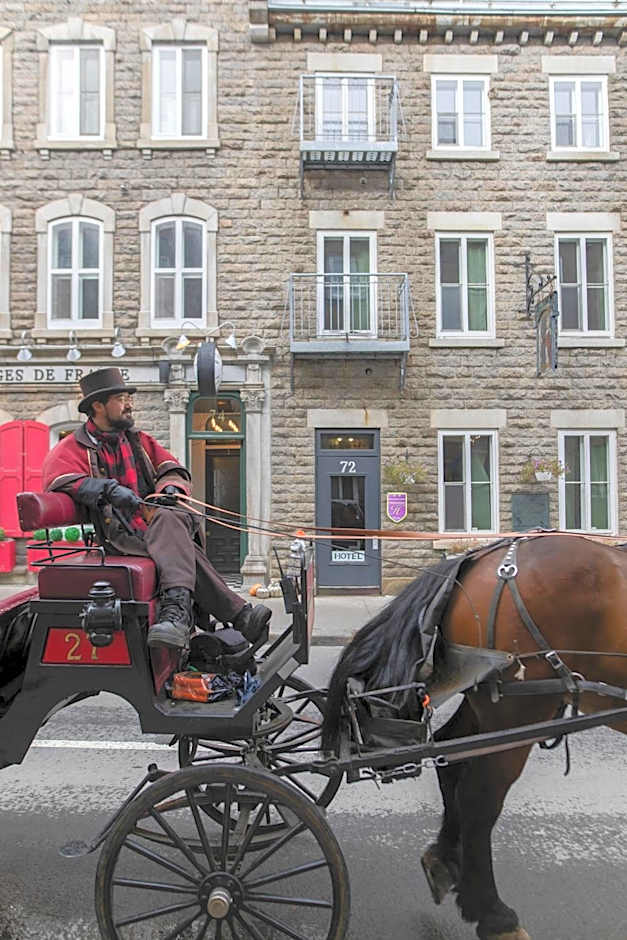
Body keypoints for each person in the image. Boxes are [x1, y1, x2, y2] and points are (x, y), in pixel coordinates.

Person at [41, 367, 271, 650]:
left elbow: (172, 469)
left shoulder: (138, 440)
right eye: (121, 398)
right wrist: (108, 489)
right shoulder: (72, 448)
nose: (129, 404)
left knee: (170, 516)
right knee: (172, 527)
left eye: (129, 398)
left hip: (153, 524)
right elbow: (59, 480)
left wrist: (169, 490)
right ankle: (222, 614)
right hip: (117, 534)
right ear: (98, 406)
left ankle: (191, 616)